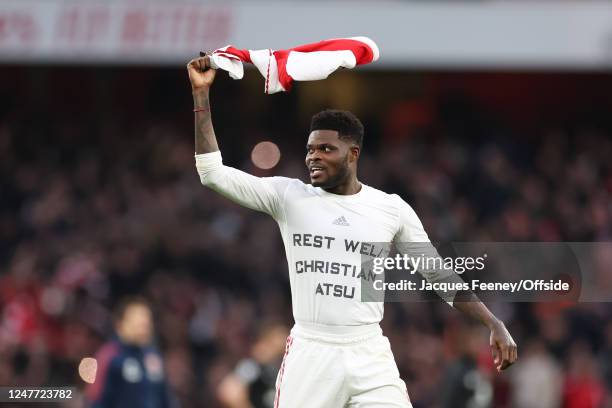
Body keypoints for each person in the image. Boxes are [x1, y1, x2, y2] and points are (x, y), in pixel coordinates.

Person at [186, 55, 517, 408]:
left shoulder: (390, 208)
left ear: (353, 154)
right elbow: (212, 173)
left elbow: (439, 276)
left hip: (368, 350)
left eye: (326, 149)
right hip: (312, 352)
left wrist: (492, 321)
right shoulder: (290, 197)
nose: (314, 157)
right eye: (310, 149)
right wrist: (201, 95)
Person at [87, 297, 175, 408]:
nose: (143, 324)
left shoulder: (154, 357)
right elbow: (96, 400)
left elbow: (165, 398)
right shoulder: (109, 356)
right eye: (136, 319)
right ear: (120, 324)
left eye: (146, 319)